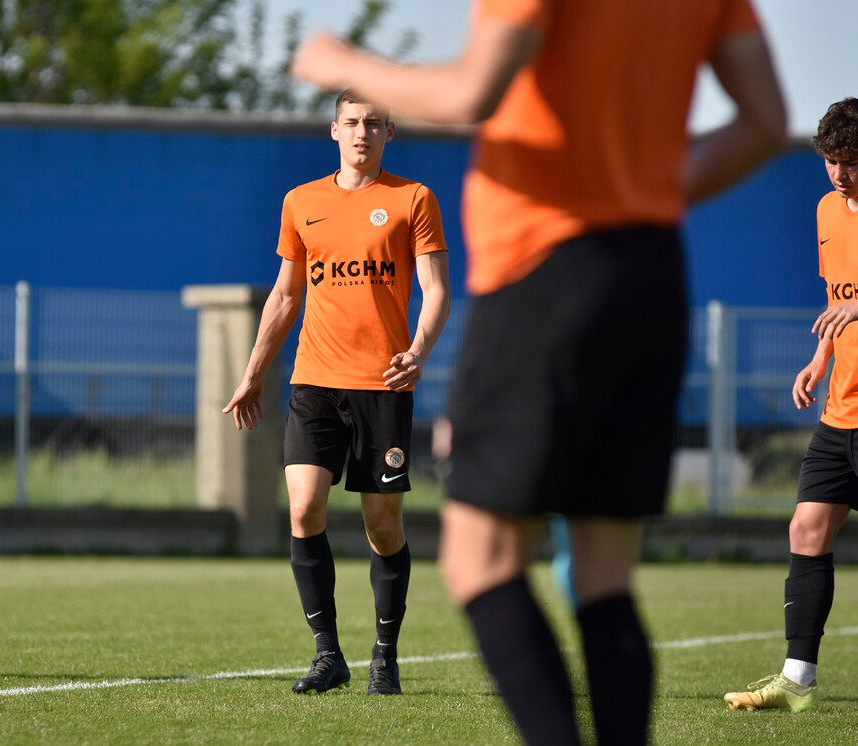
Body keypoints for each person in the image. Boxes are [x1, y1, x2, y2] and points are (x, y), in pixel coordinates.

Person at [292, 1, 785, 742]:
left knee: (481, 559)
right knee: (604, 576)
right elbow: (766, 122)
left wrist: (346, 65)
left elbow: (473, 93)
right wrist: (647, 193)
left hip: (545, 269)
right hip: (650, 270)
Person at [223, 88, 451, 696]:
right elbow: (285, 296)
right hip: (314, 381)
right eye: (351, 122)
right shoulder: (301, 202)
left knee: (382, 526)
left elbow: (435, 289)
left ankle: (385, 656)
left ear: (389, 133)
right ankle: (329, 654)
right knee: (303, 509)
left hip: (383, 384)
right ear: (333, 130)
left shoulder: (412, 200)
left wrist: (419, 352)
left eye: (374, 124)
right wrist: (252, 373)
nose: (361, 133)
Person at [724, 97, 858, 713]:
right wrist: (819, 359)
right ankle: (798, 677)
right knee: (805, 528)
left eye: (851, 161)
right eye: (831, 160)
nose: (839, 173)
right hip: (840, 410)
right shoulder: (828, 210)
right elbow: (837, 296)